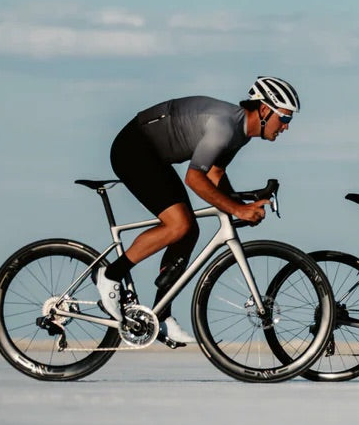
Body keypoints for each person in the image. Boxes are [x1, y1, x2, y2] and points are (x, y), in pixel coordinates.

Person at [94, 76, 301, 345]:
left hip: (156, 157)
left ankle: (161, 314)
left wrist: (245, 201)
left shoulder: (242, 133)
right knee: (178, 225)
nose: (286, 127)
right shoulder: (226, 126)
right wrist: (238, 209)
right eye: (284, 118)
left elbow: (214, 175)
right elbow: (194, 179)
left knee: (189, 231)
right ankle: (110, 274)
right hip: (133, 148)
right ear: (264, 110)